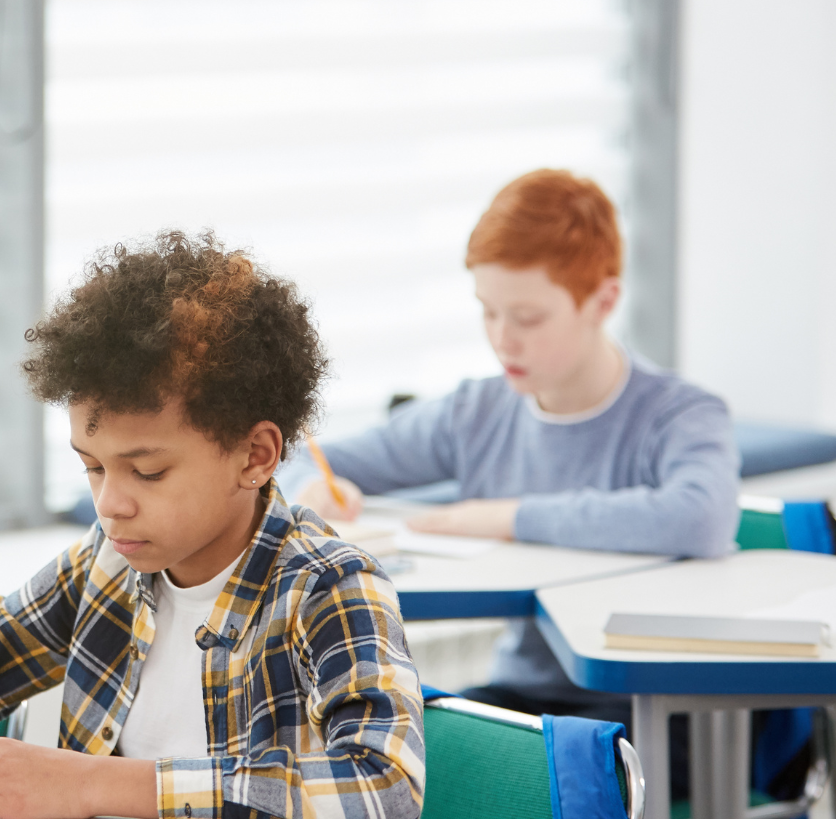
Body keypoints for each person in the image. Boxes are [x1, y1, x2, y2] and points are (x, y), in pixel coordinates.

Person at [0, 232, 424, 819]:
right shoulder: (108, 563)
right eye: (92, 467)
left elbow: (384, 789)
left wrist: (90, 785)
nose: (110, 503)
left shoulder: (327, 588)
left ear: (255, 456)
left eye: (148, 471)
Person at [279, 169, 739, 729]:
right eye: (488, 311)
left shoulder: (680, 414)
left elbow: (702, 517)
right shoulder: (476, 412)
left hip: (655, 709)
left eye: (528, 318)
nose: (502, 338)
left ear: (603, 300)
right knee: (380, 736)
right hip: (524, 702)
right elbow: (304, 457)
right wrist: (312, 488)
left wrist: (506, 517)